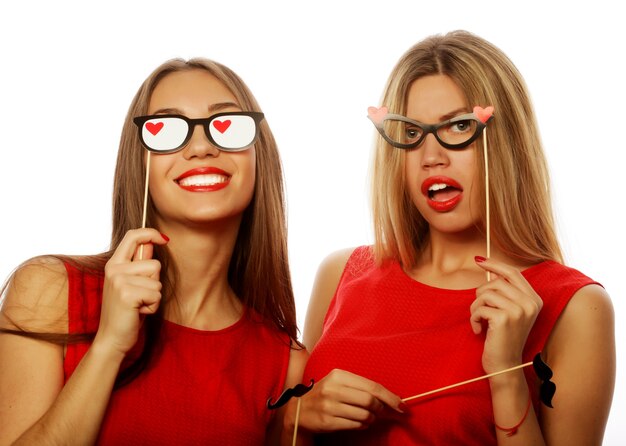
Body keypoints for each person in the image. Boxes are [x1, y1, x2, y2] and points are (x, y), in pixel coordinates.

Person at [288, 31, 615, 445]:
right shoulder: (341, 273)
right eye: (410, 134)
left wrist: (505, 373)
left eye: (459, 126)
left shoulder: (575, 305)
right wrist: (294, 417)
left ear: (507, 141)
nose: (431, 157)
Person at [0, 58, 307, 445]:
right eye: (168, 130)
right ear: (139, 160)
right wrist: (109, 346)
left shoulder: (285, 365)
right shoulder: (49, 290)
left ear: (258, 155)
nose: (201, 147)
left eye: (227, 125)